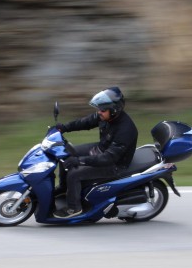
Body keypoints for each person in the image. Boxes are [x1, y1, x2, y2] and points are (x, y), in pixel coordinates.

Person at [53, 87, 138, 219]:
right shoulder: (106, 117)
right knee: (65, 153)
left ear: (114, 110)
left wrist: (79, 161)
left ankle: (74, 208)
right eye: (98, 109)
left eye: (102, 110)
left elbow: (108, 158)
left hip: (114, 164)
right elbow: (86, 122)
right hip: (101, 150)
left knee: (74, 173)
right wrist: (64, 127)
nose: (99, 112)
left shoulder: (125, 130)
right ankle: (64, 188)